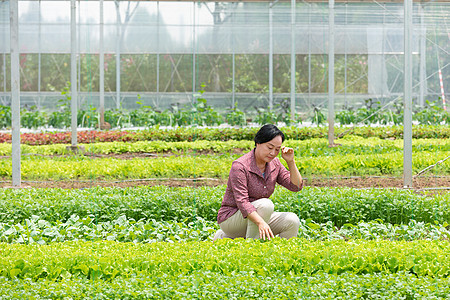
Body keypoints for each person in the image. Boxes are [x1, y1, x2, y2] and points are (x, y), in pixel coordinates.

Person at [213, 124, 303, 241]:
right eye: (269, 147)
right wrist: (261, 223)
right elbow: (242, 202)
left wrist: (291, 161)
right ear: (258, 143)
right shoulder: (240, 166)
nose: (273, 153)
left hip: (258, 214)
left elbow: (296, 186)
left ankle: (282, 255)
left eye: (277, 149)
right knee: (265, 205)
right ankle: (253, 249)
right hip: (231, 219)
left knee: (292, 220)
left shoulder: (275, 164)